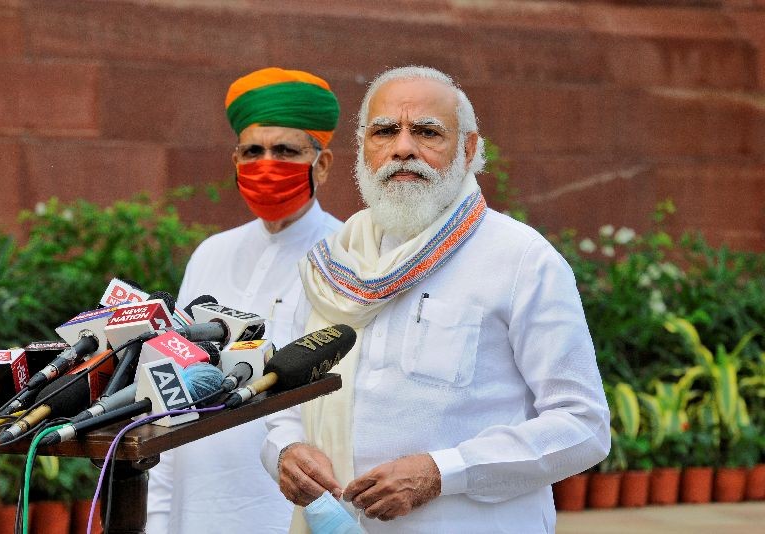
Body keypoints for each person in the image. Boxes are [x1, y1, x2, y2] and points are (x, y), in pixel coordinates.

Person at [261, 66, 611, 533]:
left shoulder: (520, 259)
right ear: (364, 148)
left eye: (427, 132)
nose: (403, 148)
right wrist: (285, 450)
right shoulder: (332, 264)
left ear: (468, 149)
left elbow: (583, 426)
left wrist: (443, 473)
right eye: (385, 131)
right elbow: (283, 398)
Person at [146, 67, 343, 534]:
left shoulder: (347, 257)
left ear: (323, 164)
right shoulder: (211, 253)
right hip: (193, 501)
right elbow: (171, 388)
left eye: (286, 150)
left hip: (288, 506)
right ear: (235, 160)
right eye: (253, 151)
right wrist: (155, 515)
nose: (266, 163)